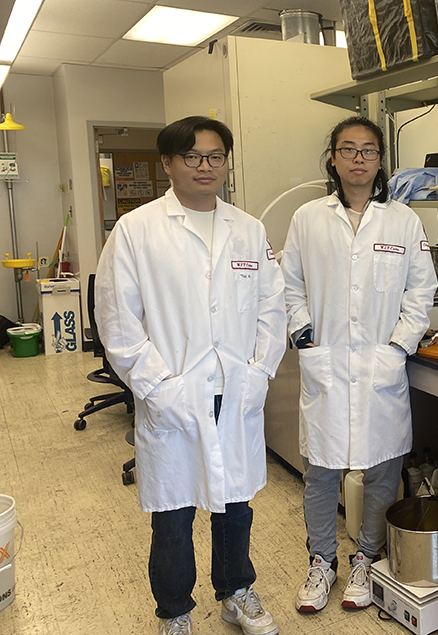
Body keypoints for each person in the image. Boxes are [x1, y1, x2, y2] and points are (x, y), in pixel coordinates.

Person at [96, 116, 286, 635]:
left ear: (227, 161)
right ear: (168, 164)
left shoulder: (248, 229)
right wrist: (158, 386)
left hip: (234, 388)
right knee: (175, 513)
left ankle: (235, 590)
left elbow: (273, 308)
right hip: (173, 391)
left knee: (235, 503)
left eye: (216, 156)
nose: (206, 166)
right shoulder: (137, 230)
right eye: (193, 157)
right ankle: (175, 612)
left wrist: (260, 372)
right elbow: (117, 320)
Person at [282, 116, 437, 613]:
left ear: (379, 160)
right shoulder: (308, 218)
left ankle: (366, 558)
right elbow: (288, 285)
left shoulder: (403, 221)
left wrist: (398, 346)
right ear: (333, 158)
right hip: (326, 360)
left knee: (380, 472)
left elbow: (421, 289)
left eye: (368, 150)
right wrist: (304, 334)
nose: (358, 159)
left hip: (380, 366)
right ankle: (321, 561)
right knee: (322, 473)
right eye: (348, 150)